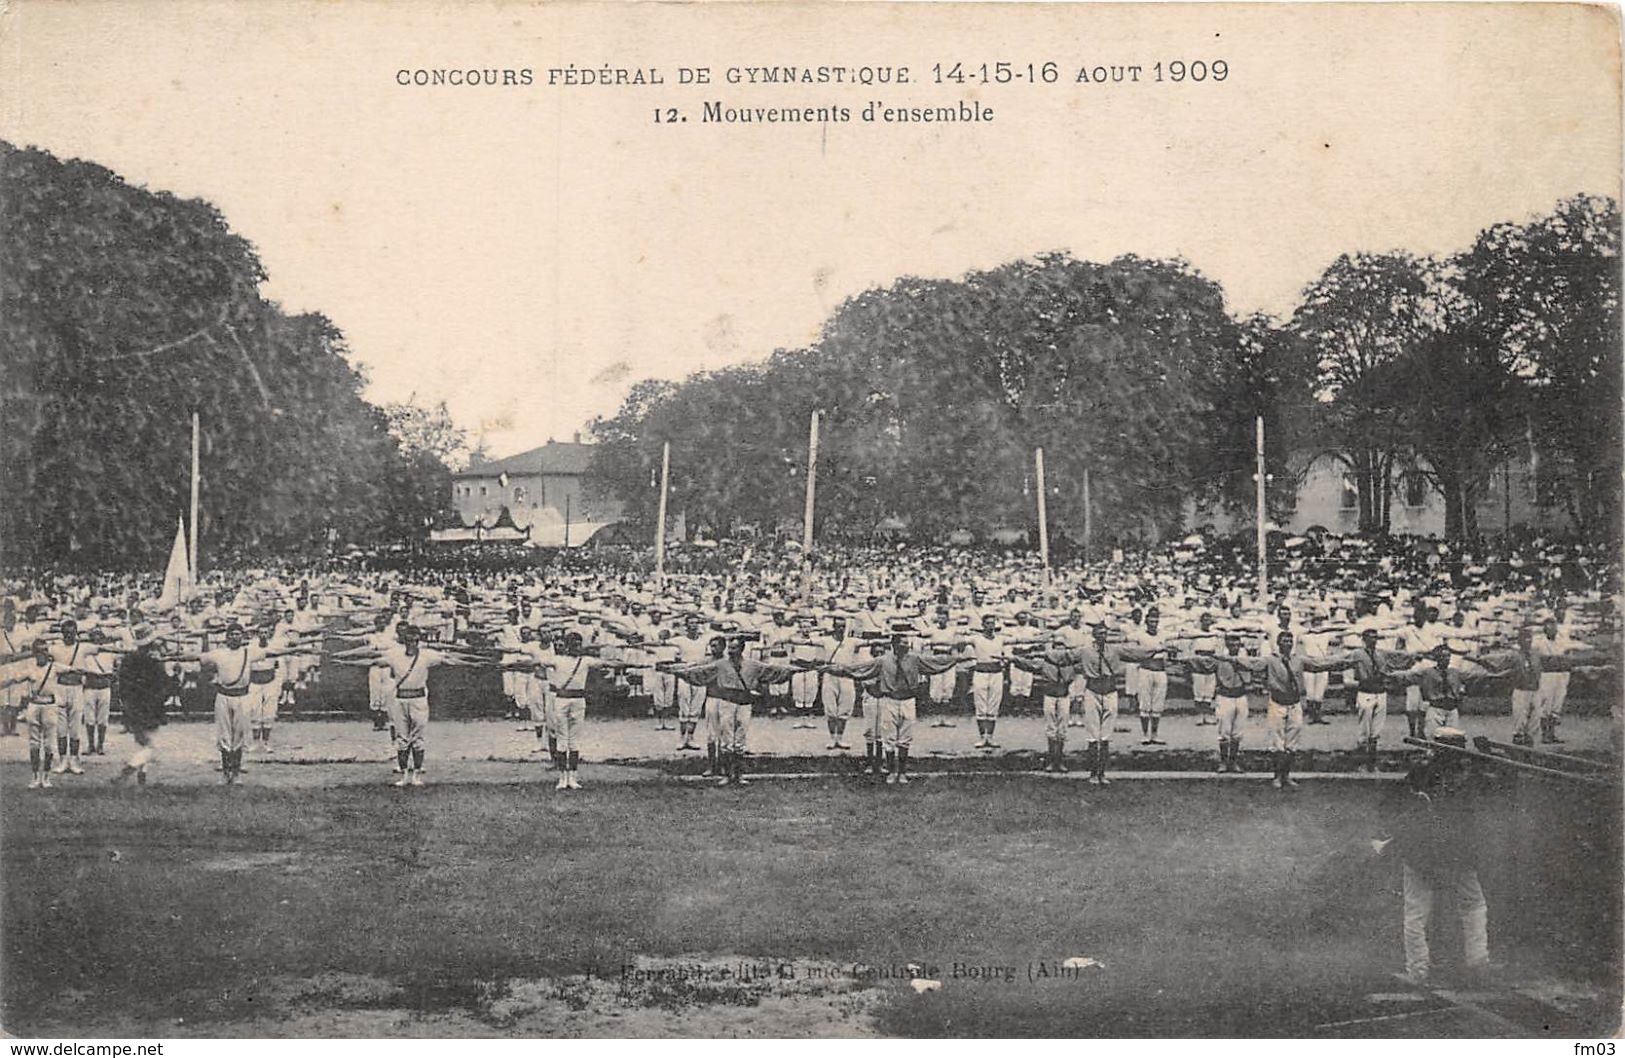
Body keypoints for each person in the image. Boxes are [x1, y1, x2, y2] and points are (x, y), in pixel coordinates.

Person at [1372, 728, 1493, 986]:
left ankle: (1418, 970)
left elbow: (1389, 804)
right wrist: (1487, 755)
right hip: (1454, 853)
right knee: (1473, 904)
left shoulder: (1421, 772)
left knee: (1416, 912)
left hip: (1423, 853)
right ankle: (1477, 960)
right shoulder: (1468, 776)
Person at [822, 629, 962, 785]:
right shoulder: (883, 661)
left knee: (905, 739)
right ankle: (891, 771)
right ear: (894, 645)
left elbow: (935, 664)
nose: (906, 646)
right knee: (888, 739)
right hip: (890, 701)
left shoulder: (914, 659)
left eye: (907, 643)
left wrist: (955, 660)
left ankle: (902, 772)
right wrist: (838, 670)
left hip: (908, 701)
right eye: (902, 643)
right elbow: (860, 670)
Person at [671, 635, 799, 786]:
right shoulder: (720, 665)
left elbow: (772, 671)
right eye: (730, 648)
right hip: (727, 703)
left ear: (742, 649)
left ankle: (738, 775)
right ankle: (727, 775)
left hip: (744, 705)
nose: (731, 651)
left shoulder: (752, 665)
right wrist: (678, 672)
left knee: (740, 741)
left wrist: (793, 670)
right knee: (727, 740)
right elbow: (699, 672)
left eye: (734, 648)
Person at [1231, 630, 1349, 790]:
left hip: (1294, 704)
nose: (1287, 644)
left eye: (1289, 641)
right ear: (1278, 644)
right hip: (1277, 703)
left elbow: (1319, 664)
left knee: (1292, 742)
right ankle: (1277, 776)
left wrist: (1344, 660)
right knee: (1277, 742)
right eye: (1284, 641)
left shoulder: (1298, 660)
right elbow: (1252, 664)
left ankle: (1286, 775)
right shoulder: (1270, 660)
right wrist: (1229, 658)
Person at [1175, 631, 1254, 774]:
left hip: (1241, 696)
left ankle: (1233, 761)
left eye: (1237, 643)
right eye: (1231, 643)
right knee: (1224, 731)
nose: (1234, 646)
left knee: (1237, 732)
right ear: (1227, 644)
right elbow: (1201, 663)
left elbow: (1254, 669)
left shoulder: (1245, 658)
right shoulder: (1219, 659)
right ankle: (1223, 762)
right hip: (1224, 696)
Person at [108, 623, 171, 786]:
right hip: (151, 706)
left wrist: (126, 703)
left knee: (142, 743)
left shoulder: (128, 659)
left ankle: (142, 777)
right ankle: (129, 769)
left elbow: (122, 685)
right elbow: (163, 683)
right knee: (152, 746)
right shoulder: (155, 661)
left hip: (132, 706)